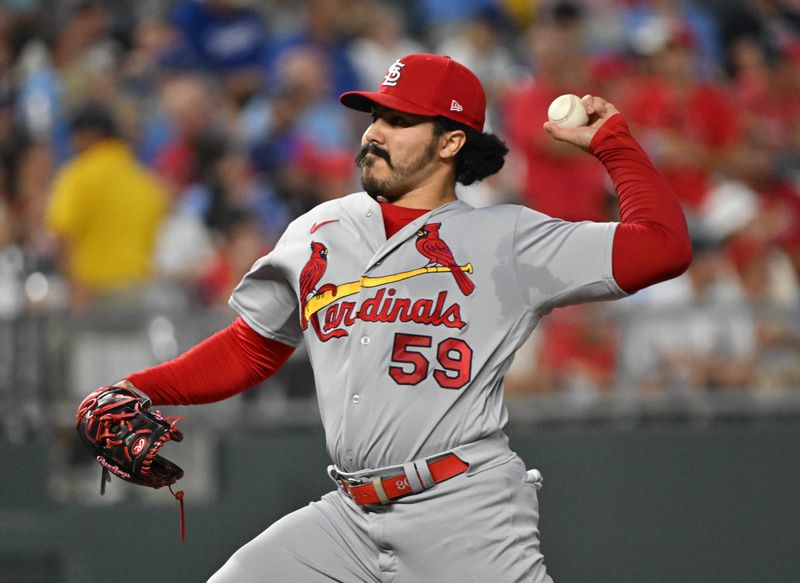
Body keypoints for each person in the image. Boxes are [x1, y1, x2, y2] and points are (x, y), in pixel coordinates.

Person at [79, 54, 692, 581]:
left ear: (451, 141)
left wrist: (612, 142)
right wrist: (140, 387)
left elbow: (663, 246)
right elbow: (251, 346)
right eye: (375, 116)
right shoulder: (320, 228)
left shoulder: (506, 237)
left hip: (463, 510)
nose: (375, 132)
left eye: (399, 121)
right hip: (349, 515)